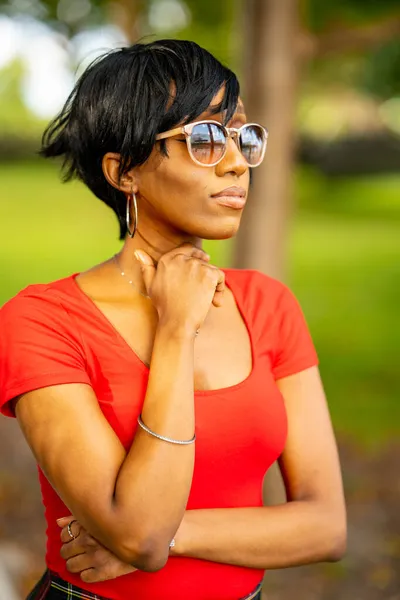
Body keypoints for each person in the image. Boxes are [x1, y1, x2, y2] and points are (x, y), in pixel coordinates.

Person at [0, 40, 346, 600]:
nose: (235, 160)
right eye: (205, 139)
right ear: (125, 171)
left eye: (240, 136)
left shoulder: (268, 305)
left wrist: (176, 536)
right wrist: (176, 328)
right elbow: (137, 532)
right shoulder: (43, 322)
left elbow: (326, 526)